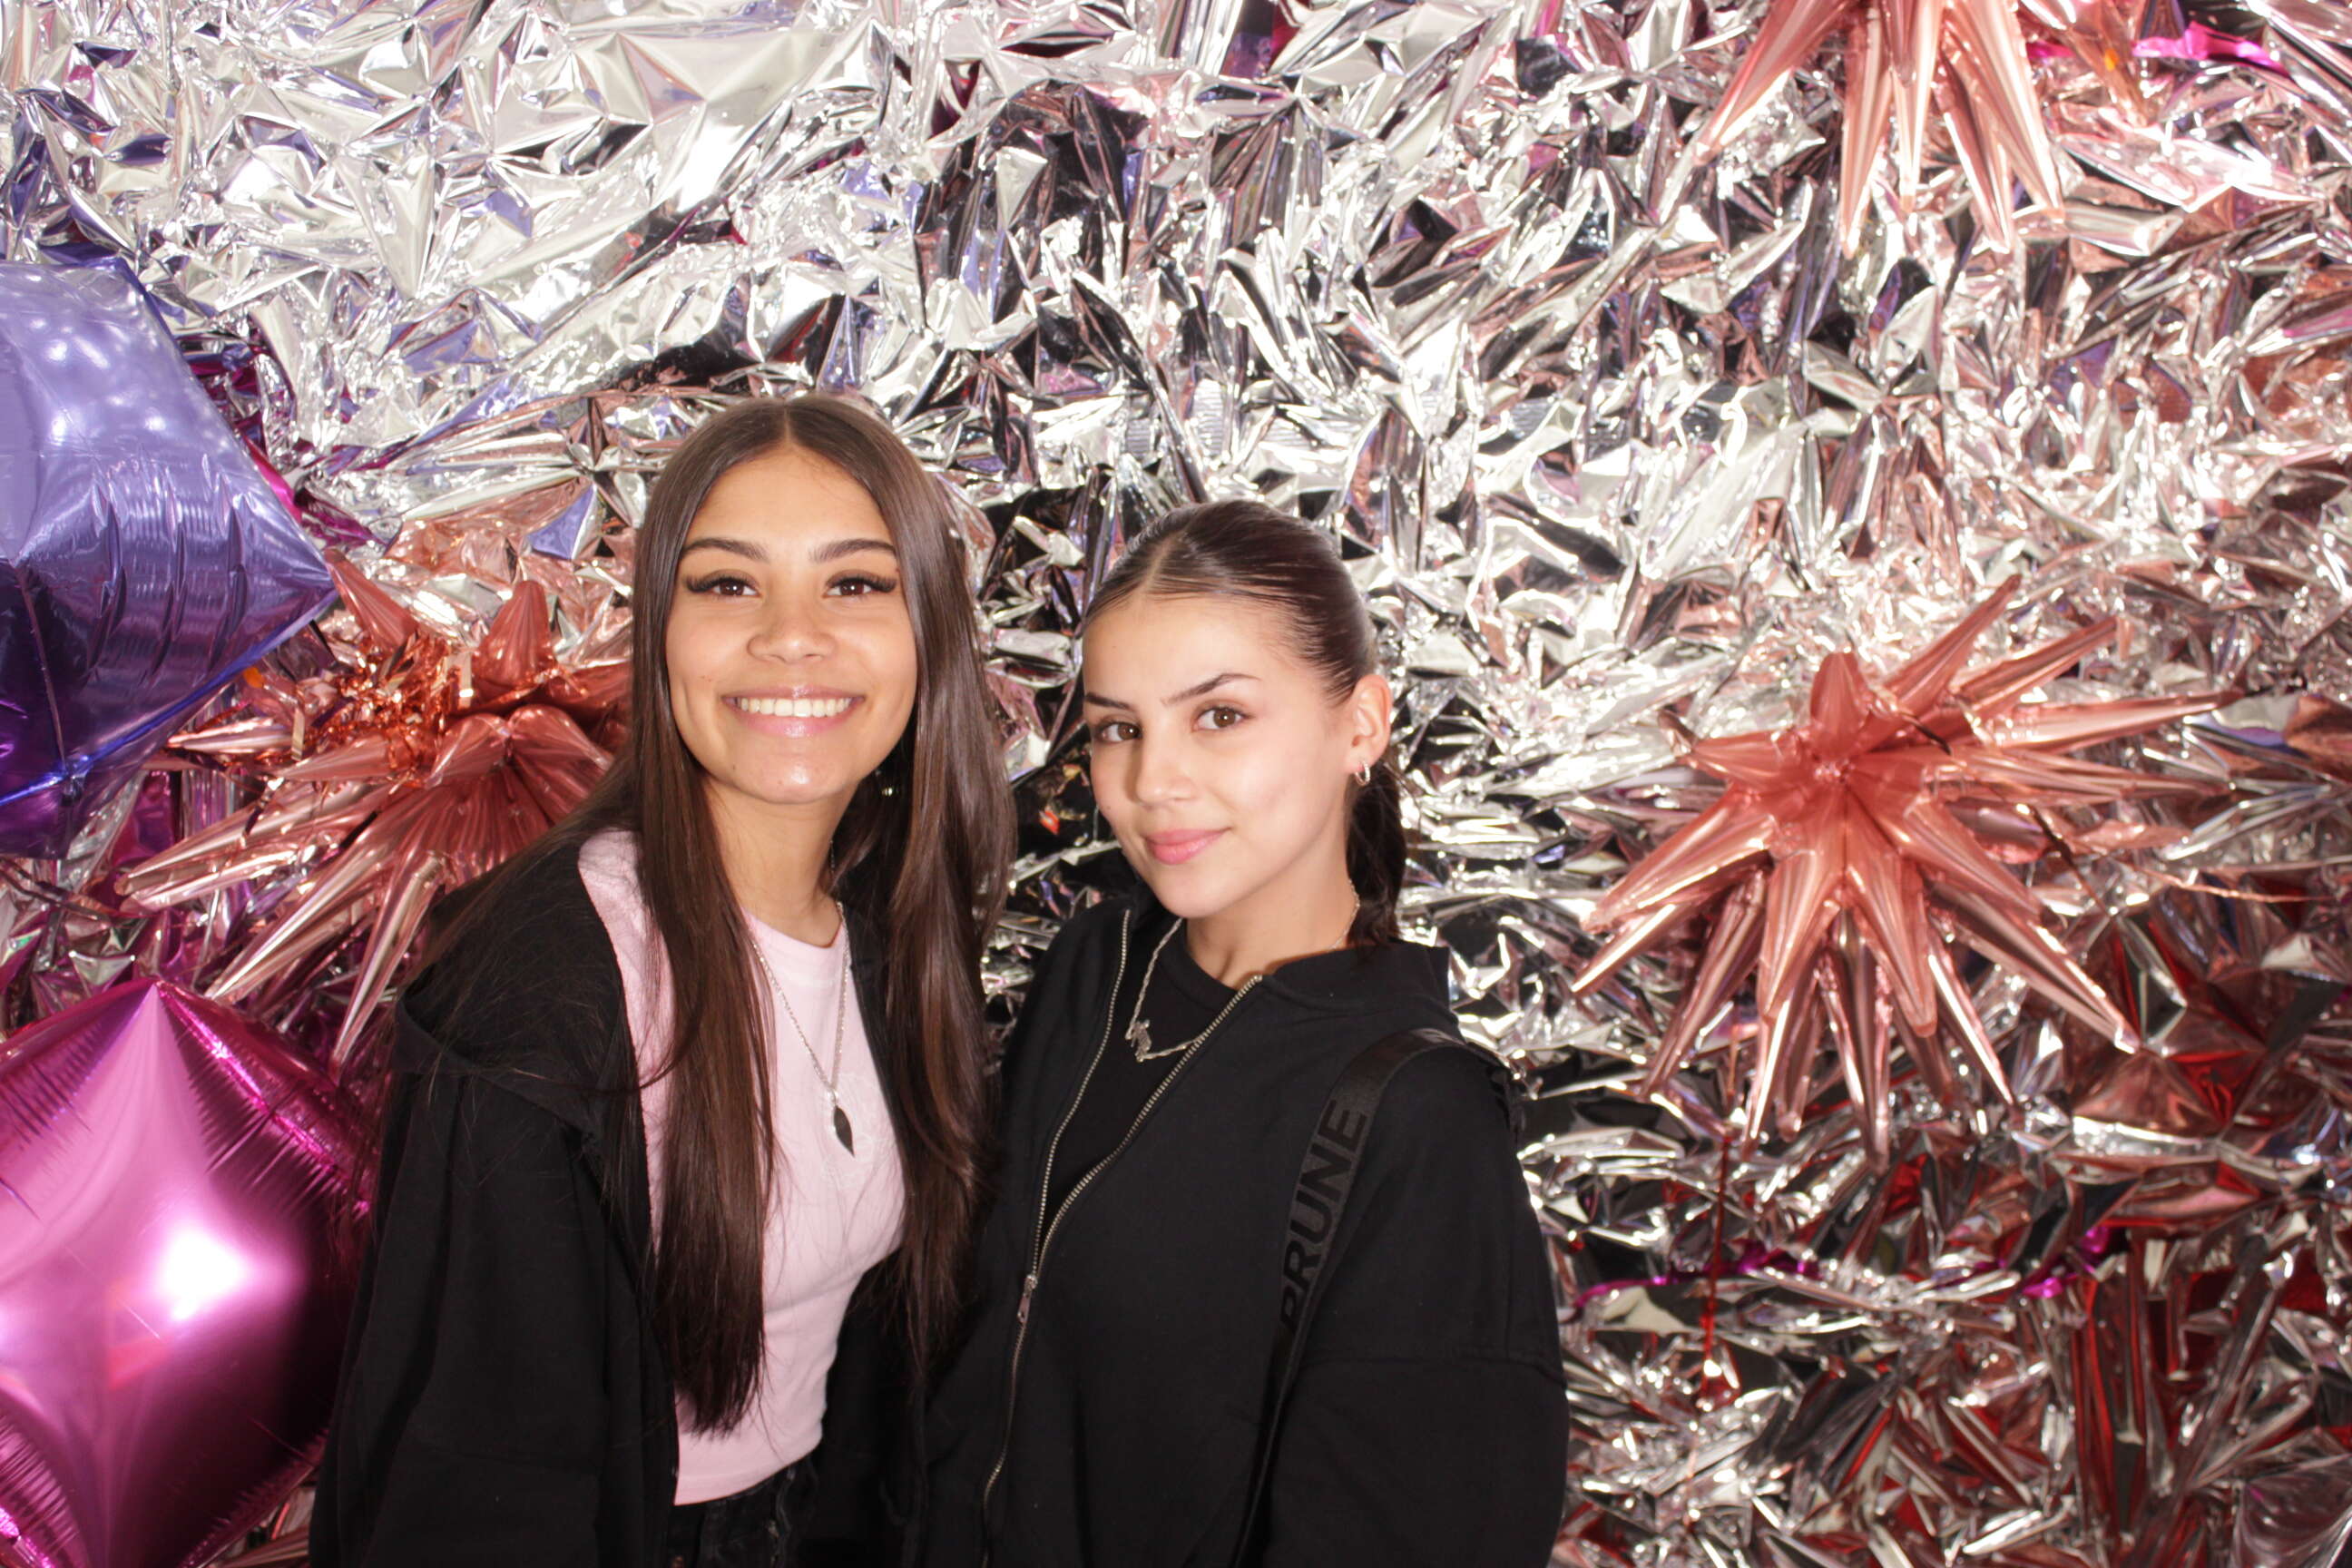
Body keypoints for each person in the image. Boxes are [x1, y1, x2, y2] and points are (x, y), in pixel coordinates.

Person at [311, 394, 1013, 1568]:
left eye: (854, 583)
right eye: (729, 583)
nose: (792, 636)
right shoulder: (541, 992)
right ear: (662, 636)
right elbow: (472, 1490)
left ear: (928, 634)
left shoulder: (890, 930)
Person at [922, 500, 1567, 1567]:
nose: (1153, 782)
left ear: (1360, 725)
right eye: (1120, 728)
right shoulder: (1094, 969)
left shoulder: (1418, 1120)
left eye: (1219, 716)